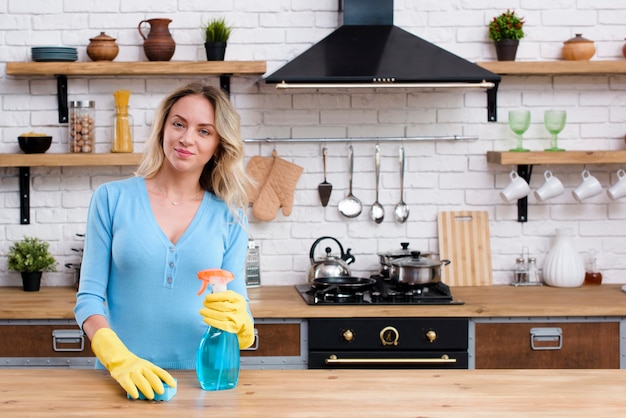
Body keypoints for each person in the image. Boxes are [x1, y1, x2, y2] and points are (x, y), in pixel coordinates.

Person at [74, 82, 254, 400]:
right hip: (123, 380)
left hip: (202, 383)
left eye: (204, 131)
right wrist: (117, 358)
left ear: (218, 145)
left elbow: (236, 304)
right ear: (163, 128)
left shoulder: (231, 215)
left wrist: (244, 327)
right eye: (179, 124)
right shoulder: (111, 199)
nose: (186, 138)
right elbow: (88, 298)